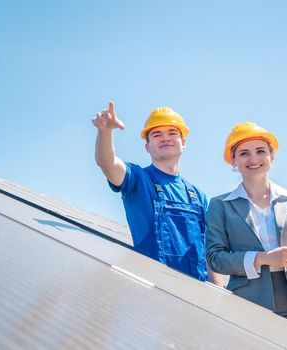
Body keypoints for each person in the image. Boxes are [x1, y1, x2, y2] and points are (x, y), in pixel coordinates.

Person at [205, 122, 287, 336]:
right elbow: (215, 258)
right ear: (233, 161)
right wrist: (265, 258)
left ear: (272, 156)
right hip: (250, 309)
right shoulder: (219, 205)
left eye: (261, 151)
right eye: (244, 153)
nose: (254, 159)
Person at [92, 101, 219, 283]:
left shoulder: (198, 196)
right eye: (157, 134)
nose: (165, 138)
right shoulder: (137, 179)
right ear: (147, 146)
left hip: (196, 296)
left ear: (183, 142)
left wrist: (217, 295)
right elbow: (107, 163)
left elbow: (210, 254)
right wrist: (105, 131)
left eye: (172, 133)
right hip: (153, 292)